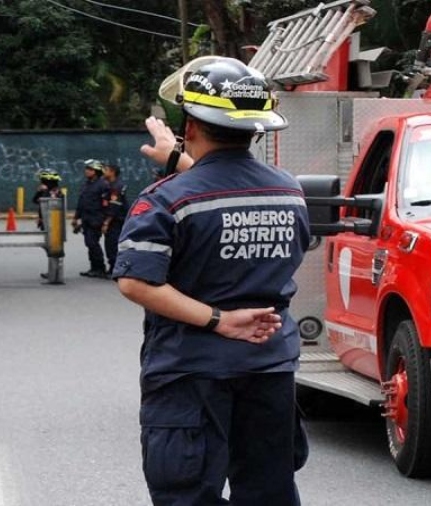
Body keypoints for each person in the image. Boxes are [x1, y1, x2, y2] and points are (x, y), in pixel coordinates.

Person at [113, 57, 311, 505]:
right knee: (268, 491)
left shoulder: (164, 201)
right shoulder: (288, 191)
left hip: (191, 370)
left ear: (191, 125)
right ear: (255, 127)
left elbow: (135, 282)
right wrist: (180, 162)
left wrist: (219, 319)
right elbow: (227, 190)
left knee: (188, 494)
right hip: (270, 367)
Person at [72, 159, 110, 278]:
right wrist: (76, 217)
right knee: (89, 243)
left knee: (93, 243)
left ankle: (100, 268)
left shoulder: (103, 185)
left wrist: (105, 221)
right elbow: (81, 202)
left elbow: (107, 204)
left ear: (96, 171)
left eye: (90, 169)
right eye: (87, 169)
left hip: (96, 218)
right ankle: (94, 267)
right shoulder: (86, 184)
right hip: (86, 218)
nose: (87, 171)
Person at [100, 163, 128, 276]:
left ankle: (116, 269)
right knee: (111, 244)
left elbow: (114, 207)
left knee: (112, 244)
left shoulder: (116, 186)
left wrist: (106, 223)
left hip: (116, 221)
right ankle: (113, 268)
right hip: (114, 220)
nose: (104, 172)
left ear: (112, 172)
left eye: (106, 170)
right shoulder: (109, 185)